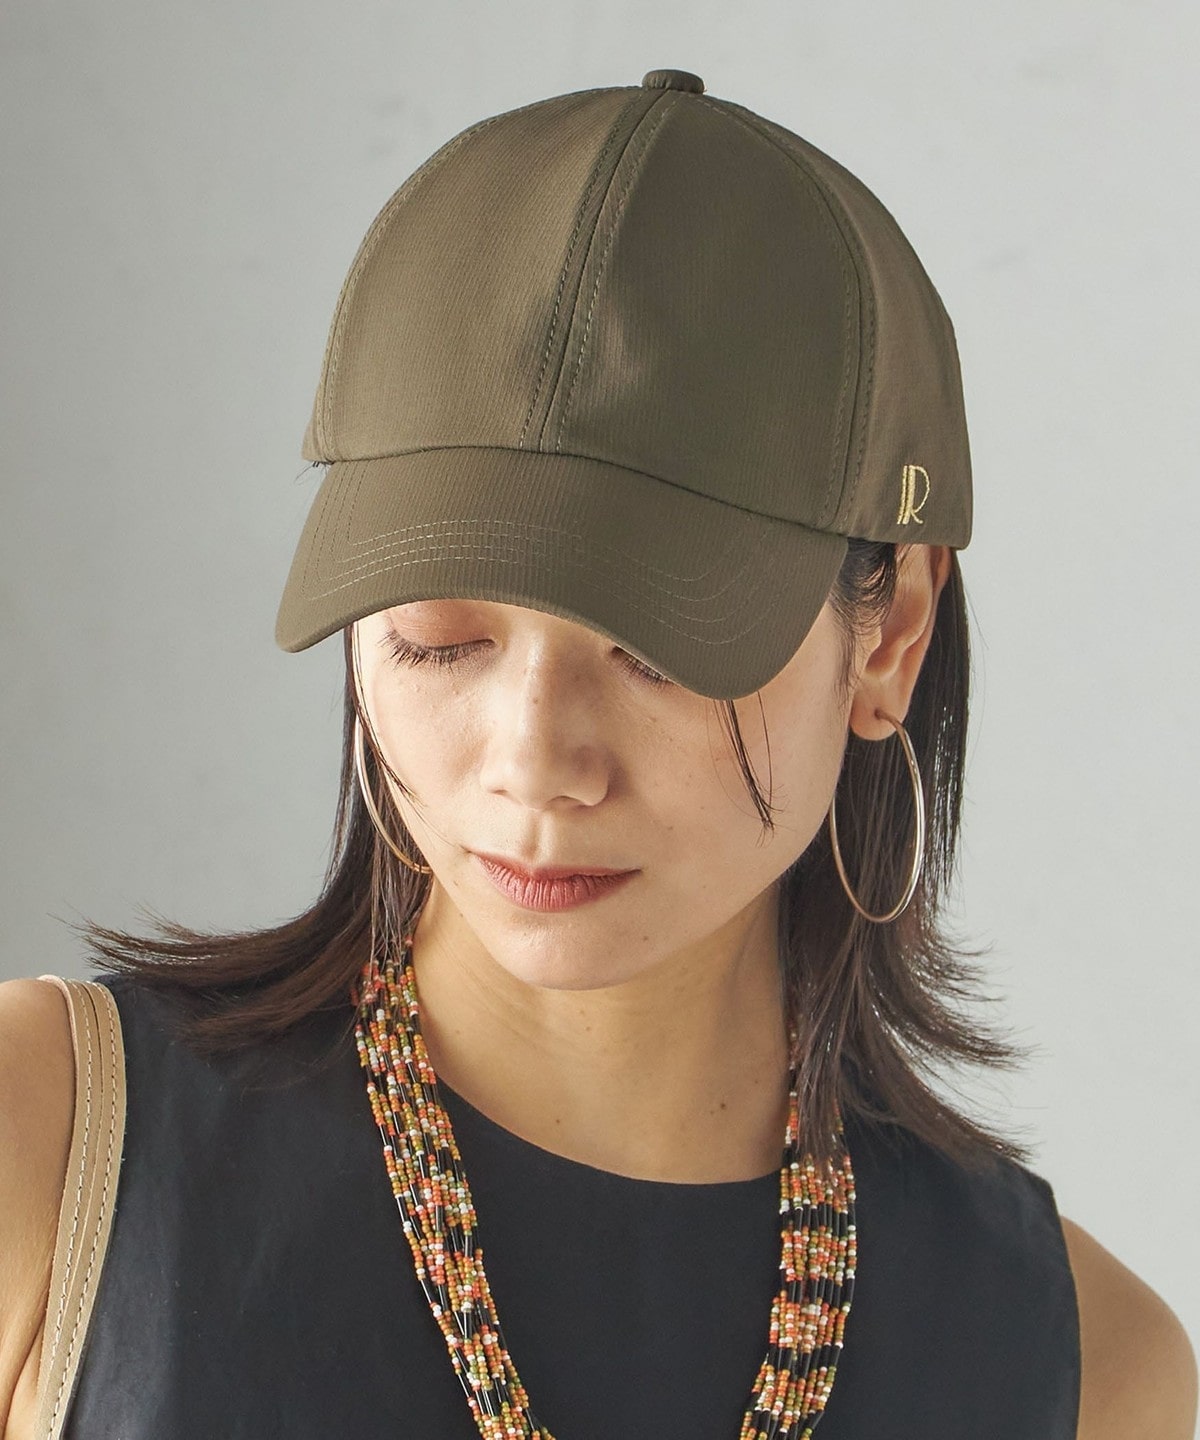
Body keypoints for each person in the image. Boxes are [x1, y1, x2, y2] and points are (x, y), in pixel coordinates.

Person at [0, 67, 1195, 1440]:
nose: (536, 762)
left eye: (657, 649)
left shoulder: (1090, 1374)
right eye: (439, 639)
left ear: (891, 637)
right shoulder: (48, 1154)